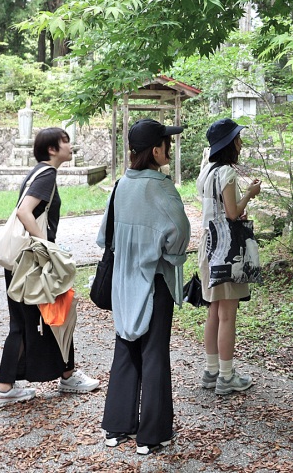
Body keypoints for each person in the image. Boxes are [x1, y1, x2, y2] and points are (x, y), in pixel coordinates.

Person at [99, 119, 191, 456]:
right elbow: (179, 234)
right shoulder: (162, 188)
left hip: (123, 280)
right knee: (154, 354)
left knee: (125, 346)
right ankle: (152, 434)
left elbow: (104, 237)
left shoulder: (121, 184)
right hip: (155, 280)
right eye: (167, 143)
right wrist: (167, 252)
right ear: (155, 150)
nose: (170, 147)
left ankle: (117, 426)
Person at [0, 127, 100, 408]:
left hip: (23, 261)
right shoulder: (47, 174)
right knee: (36, 318)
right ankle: (4, 388)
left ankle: (66, 374)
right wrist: (47, 246)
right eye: (66, 142)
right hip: (31, 262)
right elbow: (24, 211)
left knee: (56, 311)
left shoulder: (38, 172)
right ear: (52, 149)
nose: (71, 146)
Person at [197, 118, 261, 396]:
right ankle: (226, 375)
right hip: (227, 249)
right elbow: (233, 213)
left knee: (214, 310)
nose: (241, 144)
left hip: (207, 245)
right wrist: (250, 194)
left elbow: (219, 210)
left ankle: (211, 370)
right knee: (228, 315)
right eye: (237, 139)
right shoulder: (227, 173)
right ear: (229, 144)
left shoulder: (207, 172)